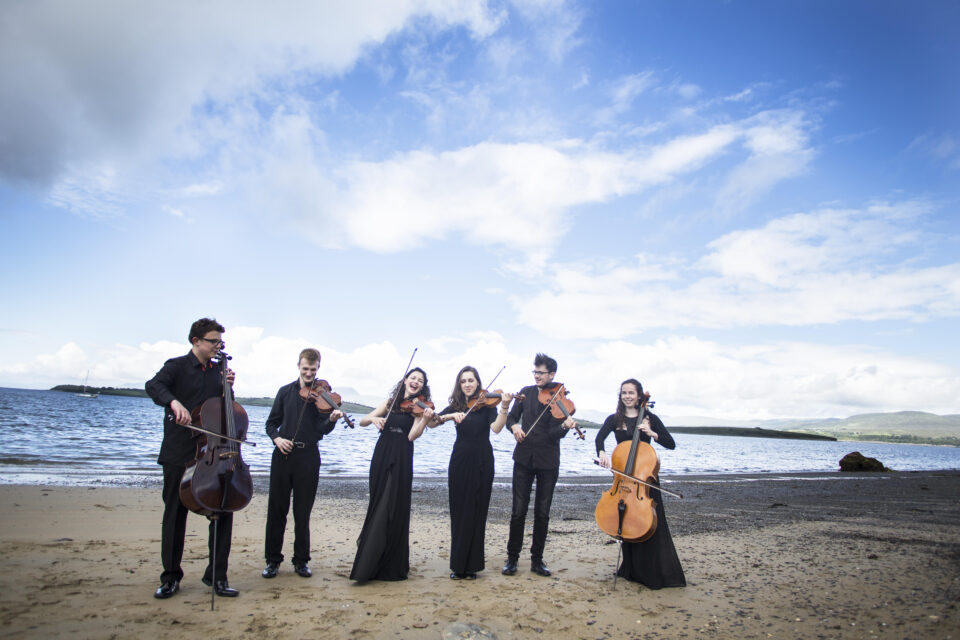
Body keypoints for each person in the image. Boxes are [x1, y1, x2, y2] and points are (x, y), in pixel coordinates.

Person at [145, 317, 239, 599]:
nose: (218, 347)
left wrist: (227, 387)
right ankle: (171, 576)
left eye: (221, 343)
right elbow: (153, 386)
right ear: (196, 341)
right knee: (175, 513)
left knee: (223, 510)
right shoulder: (176, 366)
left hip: (212, 452)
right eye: (214, 341)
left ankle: (217, 576)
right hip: (179, 452)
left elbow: (225, 411)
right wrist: (173, 402)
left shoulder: (218, 370)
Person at [595, 378, 685, 589]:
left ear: (639, 396)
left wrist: (651, 433)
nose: (627, 396)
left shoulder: (649, 418)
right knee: (625, 523)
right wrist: (601, 453)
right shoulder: (614, 419)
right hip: (623, 479)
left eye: (631, 393)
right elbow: (599, 439)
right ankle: (630, 569)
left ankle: (653, 572)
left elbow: (670, 443)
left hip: (644, 480)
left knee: (651, 525)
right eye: (624, 392)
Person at [262, 348, 343, 580]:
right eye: (305, 368)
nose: (309, 373)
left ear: (319, 368)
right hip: (283, 456)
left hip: (308, 457)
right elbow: (270, 424)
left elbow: (321, 430)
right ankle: (272, 560)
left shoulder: (323, 397)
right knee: (276, 510)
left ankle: (301, 561)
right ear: (298, 366)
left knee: (302, 511)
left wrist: (331, 420)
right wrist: (277, 439)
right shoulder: (285, 392)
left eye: (313, 369)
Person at [349, 367, 434, 582]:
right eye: (412, 377)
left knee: (394, 505)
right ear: (405, 380)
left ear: (422, 386)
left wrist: (424, 419)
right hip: (382, 453)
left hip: (403, 455)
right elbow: (362, 421)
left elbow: (412, 436)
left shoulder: (419, 409)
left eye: (420, 380)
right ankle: (369, 564)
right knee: (378, 502)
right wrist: (374, 420)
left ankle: (389, 566)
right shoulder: (390, 403)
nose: (415, 382)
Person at [502, 353, 578, 578]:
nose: (536, 376)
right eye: (534, 372)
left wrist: (564, 427)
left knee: (542, 513)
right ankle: (512, 558)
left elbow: (554, 435)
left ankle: (537, 559)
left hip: (548, 462)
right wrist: (514, 426)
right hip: (523, 458)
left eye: (541, 373)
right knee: (518, 511)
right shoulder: (525, 393)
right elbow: (511, 418)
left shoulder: (560, 399)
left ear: (552, 374)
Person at [436, 367, 512, 579]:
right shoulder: (456, 405)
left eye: (471, 380)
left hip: (482, 461)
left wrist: (504, 405)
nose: (467, 384)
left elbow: (496, 428)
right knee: (459, 511)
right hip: (460, 460)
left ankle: (473, 566)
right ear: (459, 385)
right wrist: (450, 416)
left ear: (478, 383)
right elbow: (433, 422)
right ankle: (458, 565)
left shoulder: (487, 404)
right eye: (463, 381)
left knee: (478, 511)